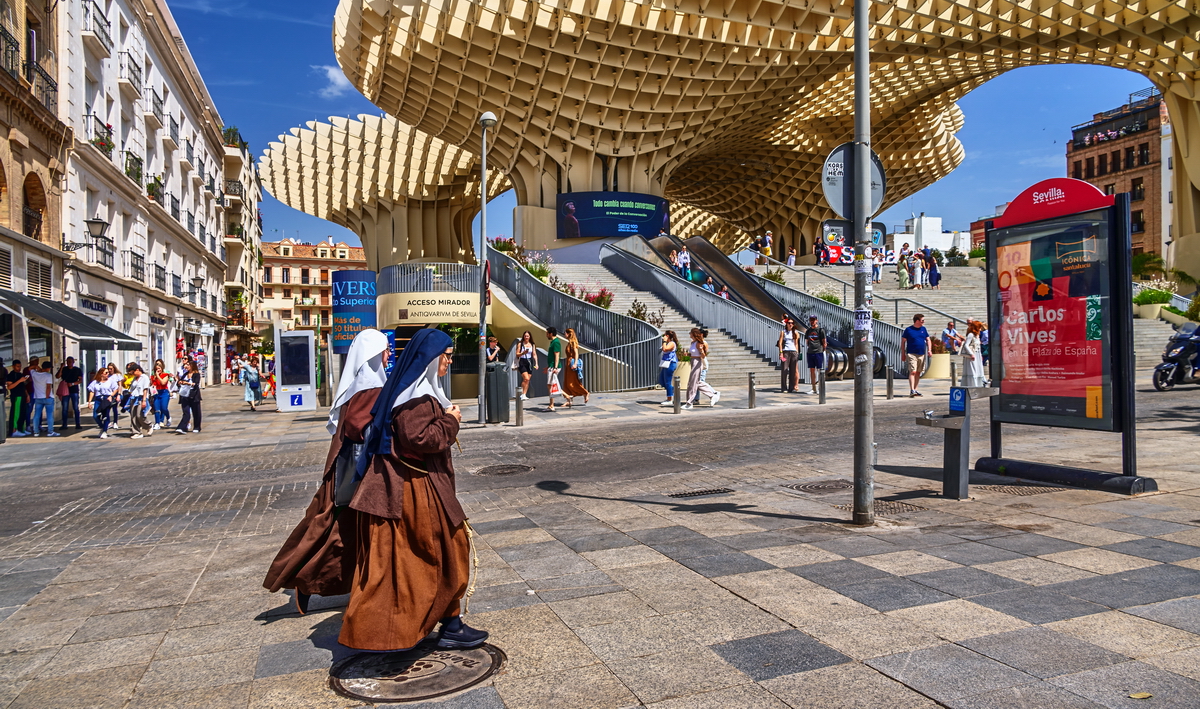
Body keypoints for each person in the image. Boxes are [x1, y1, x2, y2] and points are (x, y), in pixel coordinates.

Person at [340, 328, 486, 652]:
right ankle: (391, 630)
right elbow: (418, 439)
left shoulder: (418, 391)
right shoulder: (416, 398)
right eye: (446, 356)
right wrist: (451, 421)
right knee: (430, 555)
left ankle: (448, 622)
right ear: (431, 360)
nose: (449, 361)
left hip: (417, 486)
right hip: (411, 491)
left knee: (439, 554)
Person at [264, 330, 390, 615]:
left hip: (348, 470)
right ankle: (308, 580)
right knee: (344, 530)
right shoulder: (371, 387)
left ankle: (322, 581)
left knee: (343, 530)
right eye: (385, 350)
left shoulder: (359, 384)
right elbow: (360, 429)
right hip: (358, 474)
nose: (389, 354)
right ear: (373, 355)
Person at [683, 328, 720, 409]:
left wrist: (701, 350)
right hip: (693, 360)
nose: (689, 334)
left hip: (698, 362)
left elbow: (703, 356)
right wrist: (688, 355)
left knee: (693, 383)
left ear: (694, 334)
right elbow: (693, 353)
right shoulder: (693, 342)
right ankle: (712, 395)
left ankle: (689, 402)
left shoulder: (700, 343)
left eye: (690, 333)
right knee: (695, 382)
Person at [901, 314, 931, 397]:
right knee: (913, 371)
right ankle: (912, 390)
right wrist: (903, 353)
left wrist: (929, 350)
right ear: (917, 321)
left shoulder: (923, 329)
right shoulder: (908, 330)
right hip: (911, 353)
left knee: (918, 372)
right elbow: (903, 342)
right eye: (922, 320)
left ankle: (915, 389)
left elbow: (928, 339)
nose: (923, 322)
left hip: (921, 354)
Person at [86, 368, 119, 439]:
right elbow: (92, 391)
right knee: (95, 415)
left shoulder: (111, 381)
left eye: (108, 373)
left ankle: (104, 431)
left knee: (105, 415)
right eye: (106, 373)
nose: (108, 374)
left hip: (106, 398)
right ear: (101, 374)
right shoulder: (95, 382)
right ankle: (103, 426)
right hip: (98, 399)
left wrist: (111, 396)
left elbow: (116, 389)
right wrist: (89, 402)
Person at [29, 361, 58, 437]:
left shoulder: (34, 374)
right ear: (48, 368)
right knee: (49, 415)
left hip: (38, 397)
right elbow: (48, 387)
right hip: (47, 398)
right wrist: (47, 396)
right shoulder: (48, 375)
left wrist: (36, 367)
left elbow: (29, 368)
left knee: (36, 415)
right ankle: (50, 431)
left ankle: (36, 432)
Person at [562, 328, 589, 406]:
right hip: (568, 364)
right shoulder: (569, 343)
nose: (564, 335)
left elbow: (576, 353)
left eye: (565, 333)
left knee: (572, 382)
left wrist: (575, 363)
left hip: (571, 364)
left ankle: (585, 392)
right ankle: (569, 399)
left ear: (568, 334)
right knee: (567, 383)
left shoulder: (573, 343)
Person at [175, 360, 203, 434]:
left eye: (188, 365)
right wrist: (179, 382)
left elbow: (196, 384)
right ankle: (182, 427)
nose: (186, 366)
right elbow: (179, 383)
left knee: (196, 412)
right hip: (185, 395)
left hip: (194, 395)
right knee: (186, 412)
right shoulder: (185, 374)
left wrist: (187, 383)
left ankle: (197, 427)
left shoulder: (196, 374)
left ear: (192, 366)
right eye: (186, 365)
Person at [127, 363, 153, 439]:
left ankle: (148, 425)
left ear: (137, 370)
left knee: (140, 415)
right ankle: (136, 432)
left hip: (141, 398)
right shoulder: (134, 379)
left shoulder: (144, 377)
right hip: (134, 397)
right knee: (133, 415)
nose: (132, 374)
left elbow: (145, 389)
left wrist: (144, 400)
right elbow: (131, 389)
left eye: (133, 372)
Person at [56, 357, 82, 431]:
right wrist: (61, 367)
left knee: (76, 408)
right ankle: (64, 424)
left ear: (73, 362)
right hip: (65, 391)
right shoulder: (64, 369)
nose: (69, 363)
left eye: (70, 361)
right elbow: (57, 376)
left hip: (74, 391)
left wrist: (73, 384)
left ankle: (78, 424)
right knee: (64, 408)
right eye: (68, 361)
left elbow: (80, 380)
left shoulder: (77, 370)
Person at [6, 360, 30, 437]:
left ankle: (21, 429)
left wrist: (27, 395)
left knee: (22, 413)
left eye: (20, 366)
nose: (19, 368)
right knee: (16, 413)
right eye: (17, 366)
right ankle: (14, 429)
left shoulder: (20, 374)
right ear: (13, 366)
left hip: (22, 395)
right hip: (16, 396)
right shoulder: (11, 375)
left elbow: (23, 386)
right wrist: (19, 381)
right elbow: (9, 387)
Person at [805, 316, 827, 395]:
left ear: (816, 321)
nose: (812, 322)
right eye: (811, 320)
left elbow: (824, 342)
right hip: (810, 352)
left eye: (813, 320)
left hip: (818, 351)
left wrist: (822, 349)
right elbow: (807, 341)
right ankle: (813, 388)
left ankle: (820, 388)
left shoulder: (820, 330)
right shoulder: (808, 331)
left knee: (819, 370)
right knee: (812, 370)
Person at [778, 318, 801, 393]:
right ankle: (784, 387)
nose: (790, 324)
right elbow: (780, 343)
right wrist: (781, 352)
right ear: (786, 324)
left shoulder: (796, 333)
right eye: (789, 323)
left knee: (793, 370)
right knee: (784, 370)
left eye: (792, 323)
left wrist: (797, 352)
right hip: (786, 352)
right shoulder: (783, 332)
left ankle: (791, 387)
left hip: (793, 352)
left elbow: (796, 343)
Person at [961, 320, 986, 387]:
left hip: (977, 354)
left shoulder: (977, 335)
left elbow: (978, 346)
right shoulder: (971, 334)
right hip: (973, 354)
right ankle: (972, 385)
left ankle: (979, 384)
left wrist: (980, 355)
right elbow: (966, 345)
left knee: (978, 369)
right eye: (979, 327)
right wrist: (971, 354)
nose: (980, 329)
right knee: (973, 369)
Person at [545, 327, 564, 411]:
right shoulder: (553, 342)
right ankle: (567, 397)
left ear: (551, 334)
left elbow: (557, 355)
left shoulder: (556, 342)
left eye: (547, 333)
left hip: (554, 367)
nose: (546, 335)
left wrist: (555, 367)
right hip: (551, 366)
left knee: (550, 385)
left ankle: (552, 405)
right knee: (550, 385)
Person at [150, 360, 172, 430]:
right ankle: (157, 423)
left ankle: (168, 417)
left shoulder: (165, 375)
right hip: (156, 393)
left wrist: (158, 376)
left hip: (164, 393)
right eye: (156, 369)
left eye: (159, 368)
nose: (158, 370)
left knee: (164, 408)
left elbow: (163, 382)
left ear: (162, 368)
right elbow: (152, 384)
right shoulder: (152, 377)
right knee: (157, 409)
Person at [658, 330, 679, 405]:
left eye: (665, 335)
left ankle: (669, 399)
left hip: (670, 363)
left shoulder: (672, 343)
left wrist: (664, 341)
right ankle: (673, 390)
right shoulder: (667, 343)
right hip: (665, 363)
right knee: (661, 380)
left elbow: (665, 349)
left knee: (667, 381)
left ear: (667, 336)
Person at [516, 331, 536, 401]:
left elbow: (534, 354)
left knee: (528, 380)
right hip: (522, 361)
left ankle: (524, 394)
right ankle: (522, 394)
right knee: (526, 378)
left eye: (527, 336)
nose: (526, 337)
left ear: (530, 337)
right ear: (523, 336)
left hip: (530, 362)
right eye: (525, 336)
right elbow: (517, 354)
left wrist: (536, 363)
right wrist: (523, 353)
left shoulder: (532, 344)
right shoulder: (520, 344)